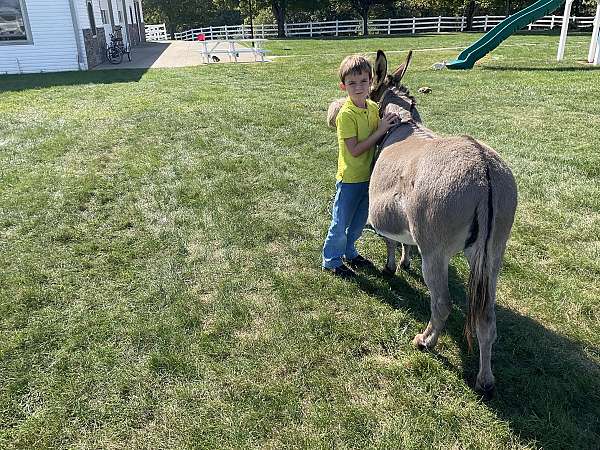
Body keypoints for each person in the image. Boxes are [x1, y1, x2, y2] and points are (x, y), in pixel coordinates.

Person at [322, 54, 397, 278]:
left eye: (364, 81)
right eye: (352, 83)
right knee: (340, 223)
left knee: (358, 223)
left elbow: (380, 131)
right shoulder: (345, 116)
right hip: (350, 179)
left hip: (370, 178)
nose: (358, 87)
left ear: (371, 81)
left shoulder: (373, 108)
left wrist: (390, 124)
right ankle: (331, 260)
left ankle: (350, 252)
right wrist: (381, 130)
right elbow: (355, 150)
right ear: (343, 85)